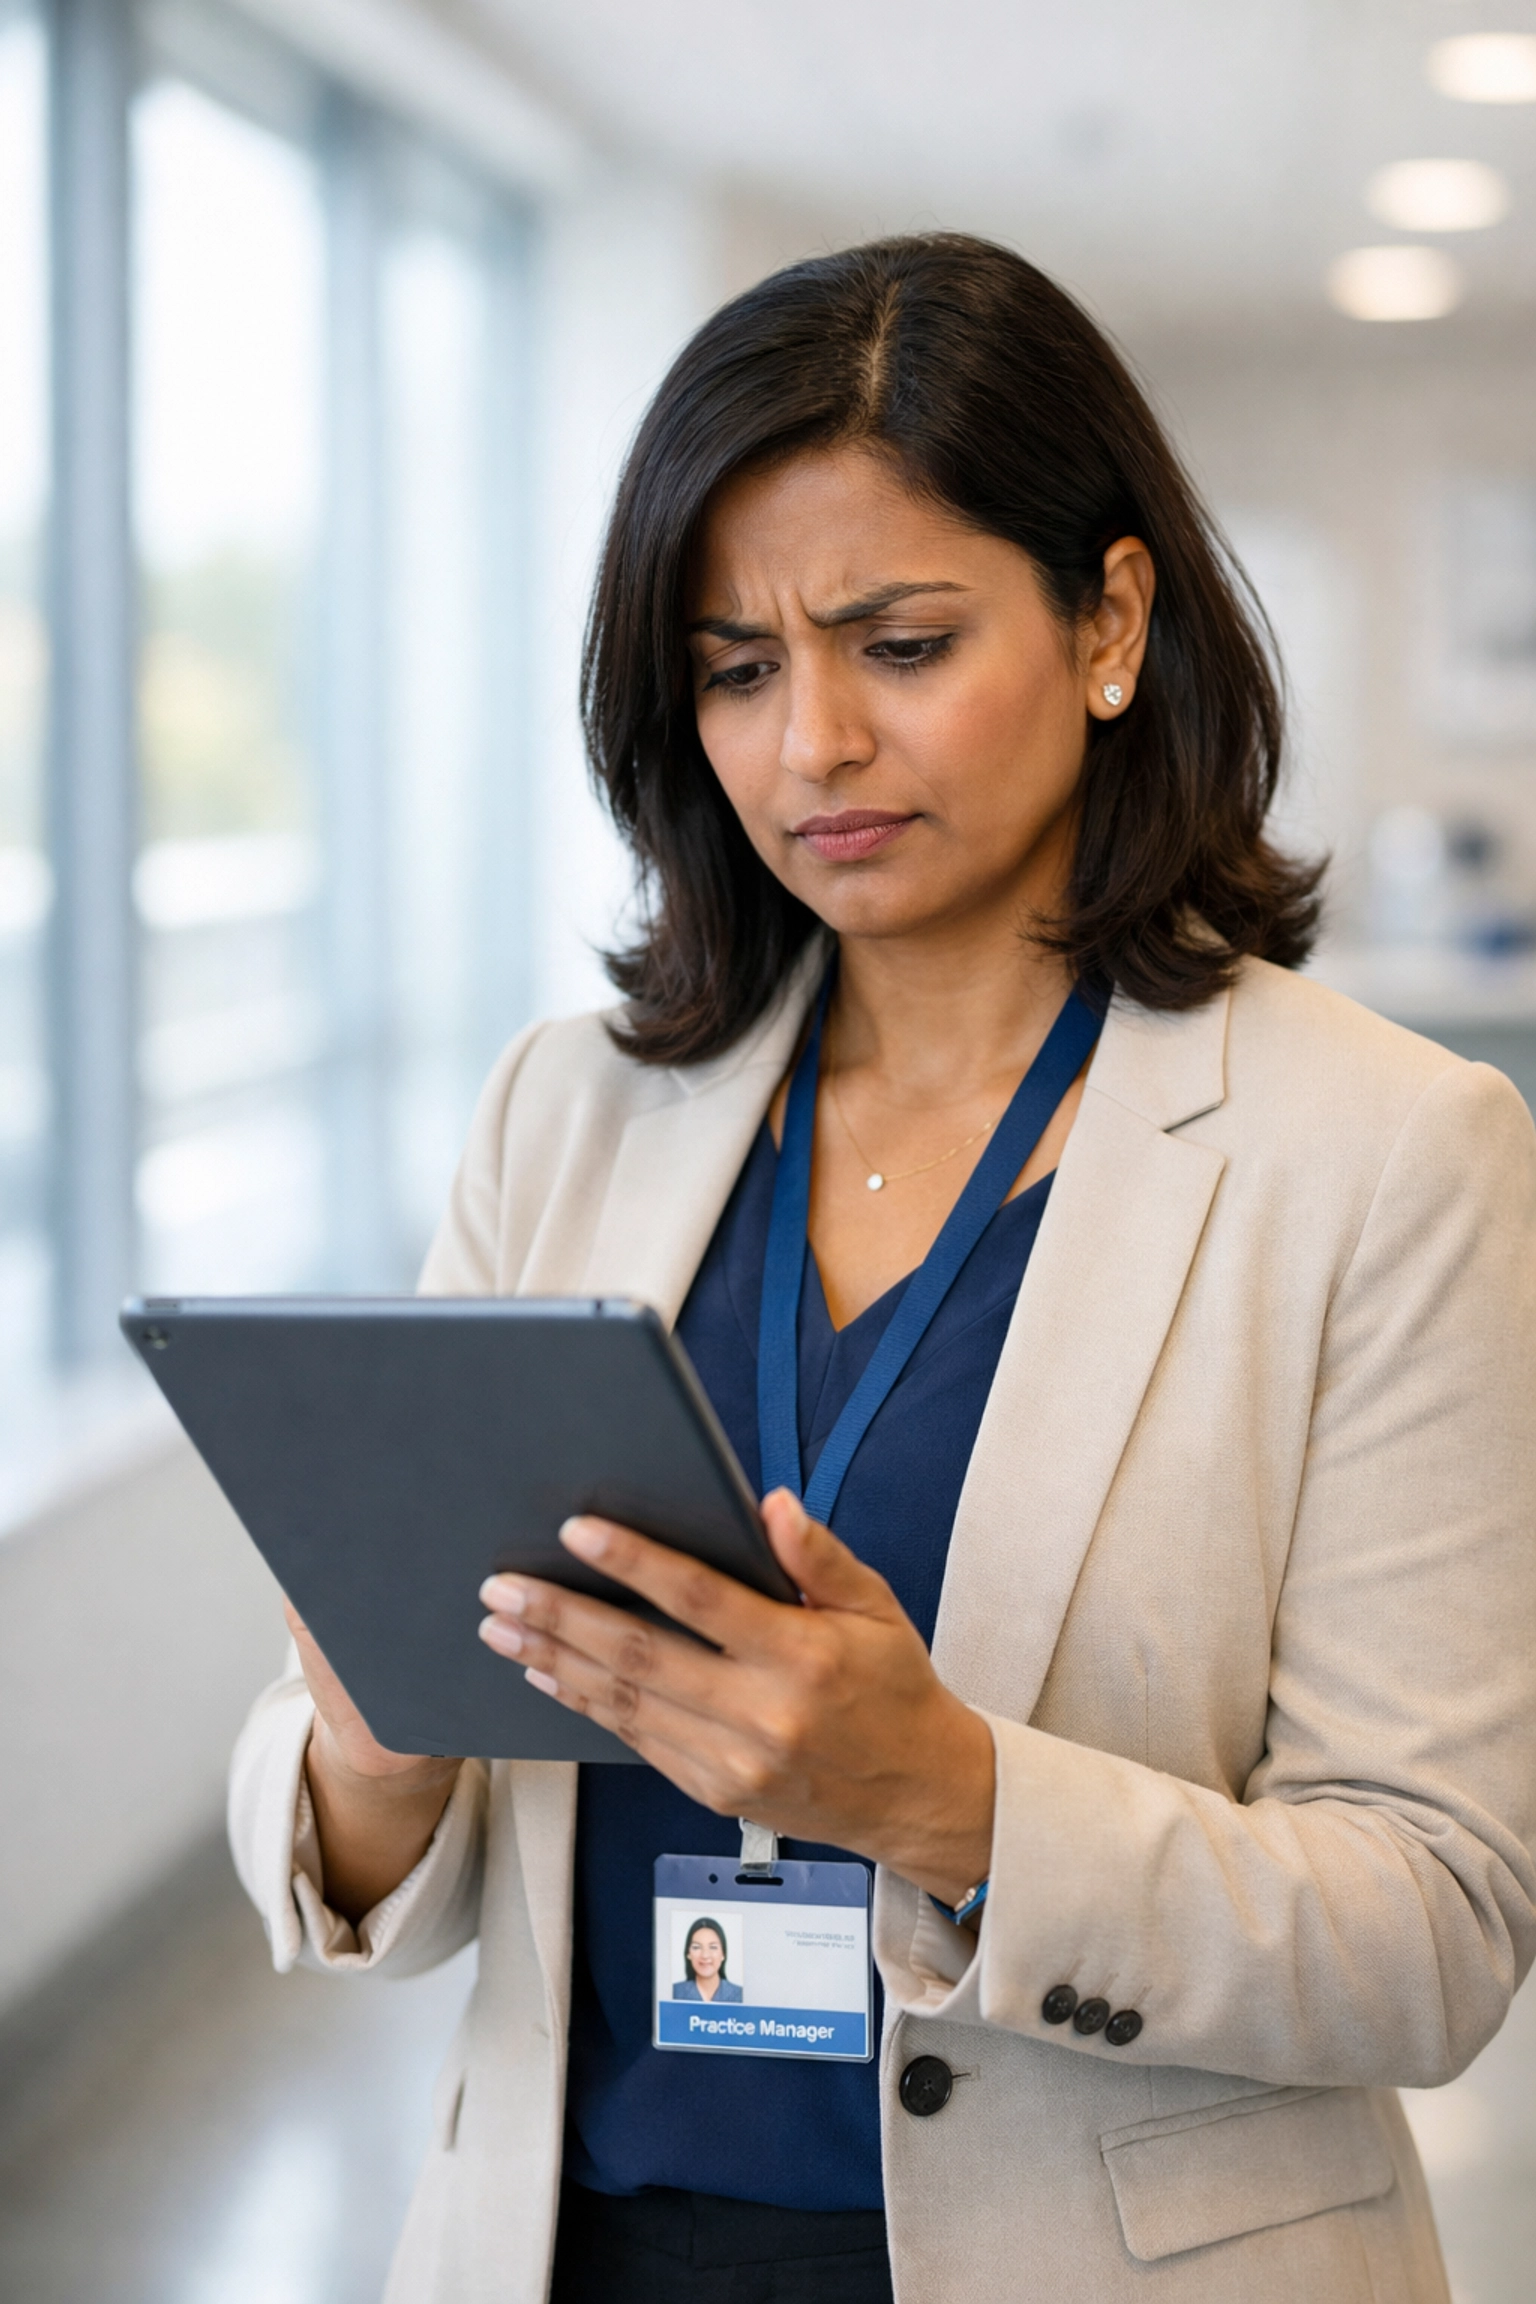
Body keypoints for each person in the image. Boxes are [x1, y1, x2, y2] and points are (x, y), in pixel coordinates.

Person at [230, 234, 1536, 2304]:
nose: (810, 742)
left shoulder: (1384, 1155)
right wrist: (367, 1760)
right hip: (575, 2253)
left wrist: (952, 1802)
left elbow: (1438, 1923)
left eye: (899, 642)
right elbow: (400, 1836)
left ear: (1112, 621)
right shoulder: (563, 1114)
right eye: (737, 667)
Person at [673, 1919, 743, 2003]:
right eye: (696, 1947)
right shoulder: (674, 1993)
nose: (705, 1955)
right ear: (688, 1954)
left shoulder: (740, 1995)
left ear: (723, 1954)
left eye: (713, 1947)